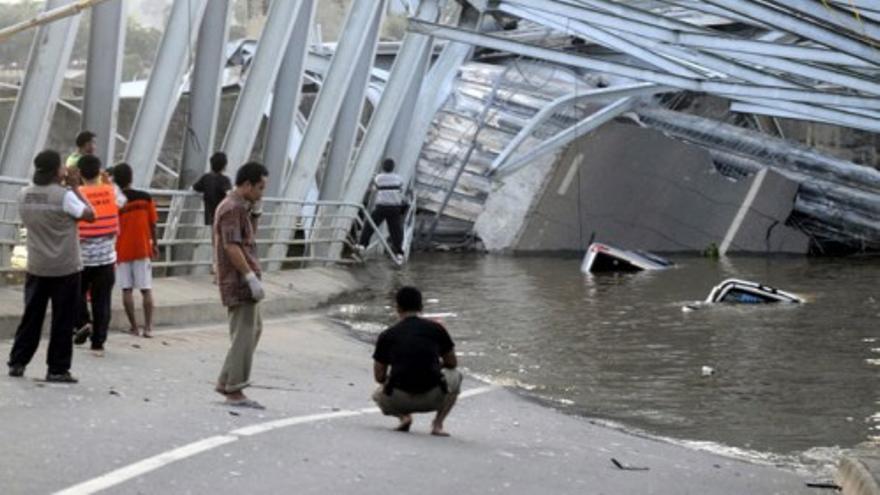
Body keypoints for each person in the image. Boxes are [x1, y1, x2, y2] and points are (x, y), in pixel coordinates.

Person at [7, 150, 94, 383]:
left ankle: (18, 361)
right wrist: (76, 187)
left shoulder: (24, 194)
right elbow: (90, 215)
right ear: (57, 170)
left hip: (37, 266)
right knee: (62, 320)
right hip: (65, 267)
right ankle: (57, 368)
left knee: (31, 317)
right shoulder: (64, 196)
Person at [214, 162, 269, 409]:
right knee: (244, 334)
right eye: (260, 187)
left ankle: (227, 380)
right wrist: (249, 276)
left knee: (252, 329)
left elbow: (248, 239)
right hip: (237, 280)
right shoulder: (232, 208)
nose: (261, 192)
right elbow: (231, 245)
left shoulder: (240, 208)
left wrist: (255, 212)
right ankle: (234, 389)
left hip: (242, 277)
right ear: (247, 184)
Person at [372, 286, 462, 436]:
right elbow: (452, 363)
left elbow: (379, 376)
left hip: (398, 400)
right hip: (433, 398)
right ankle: (437, 424)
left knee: (376, 395)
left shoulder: (387, 335)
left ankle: (404, 417)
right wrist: (436, 365)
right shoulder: (436, 329)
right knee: (456, 376)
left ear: (398, 308)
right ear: (421, 307)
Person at [73, 155, 124, 356]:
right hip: (106, 258)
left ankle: (83, 322)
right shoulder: (111, 191)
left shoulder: (77, 194)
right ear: (99, 171)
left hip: (81, 258)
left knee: (76, 294)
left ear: (80, 173)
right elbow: (122, 202)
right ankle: (98, 342)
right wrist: (107, 181)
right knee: (102, 301)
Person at [112, 163, 159, 338]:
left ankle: (134, 327)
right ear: (131, 178)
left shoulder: (116, 201)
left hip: (122, 250)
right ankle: (148, 328)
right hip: (142, 249)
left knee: (126, 290)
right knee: (146, 289)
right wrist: (155, 244)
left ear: (116, 181)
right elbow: (153, 223)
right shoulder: (145, 198)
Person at [356, 158, 406, 262]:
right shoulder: (398, 178)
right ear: (393, 167)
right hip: (395, 208)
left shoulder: (378, 178)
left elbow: (374, 189)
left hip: (382, 207)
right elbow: (400, 189)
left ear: (383, 167)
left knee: (369, 226)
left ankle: (362, 245)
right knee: (396, 231)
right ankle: (399, 253)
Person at [193, 152, 233, 226]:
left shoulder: (205, 178)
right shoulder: (224, 180)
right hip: (222, 214)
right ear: (224, 166)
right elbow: (229, 194)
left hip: (209, 214)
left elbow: (195, 187)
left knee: (214, 234)